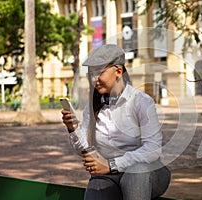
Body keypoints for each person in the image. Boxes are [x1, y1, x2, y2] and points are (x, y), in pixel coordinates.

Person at [61, 44, 171, 200]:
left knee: (135, 175)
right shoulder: (92, 107)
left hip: (148, 173)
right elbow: (84, 149)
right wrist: (73, 129)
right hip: (108, 175)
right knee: (96, 189)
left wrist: (111, 164)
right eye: (91, 74)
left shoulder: (141, 101)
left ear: (118, 71)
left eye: (99, 73)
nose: (94, 79)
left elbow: (152, 149)